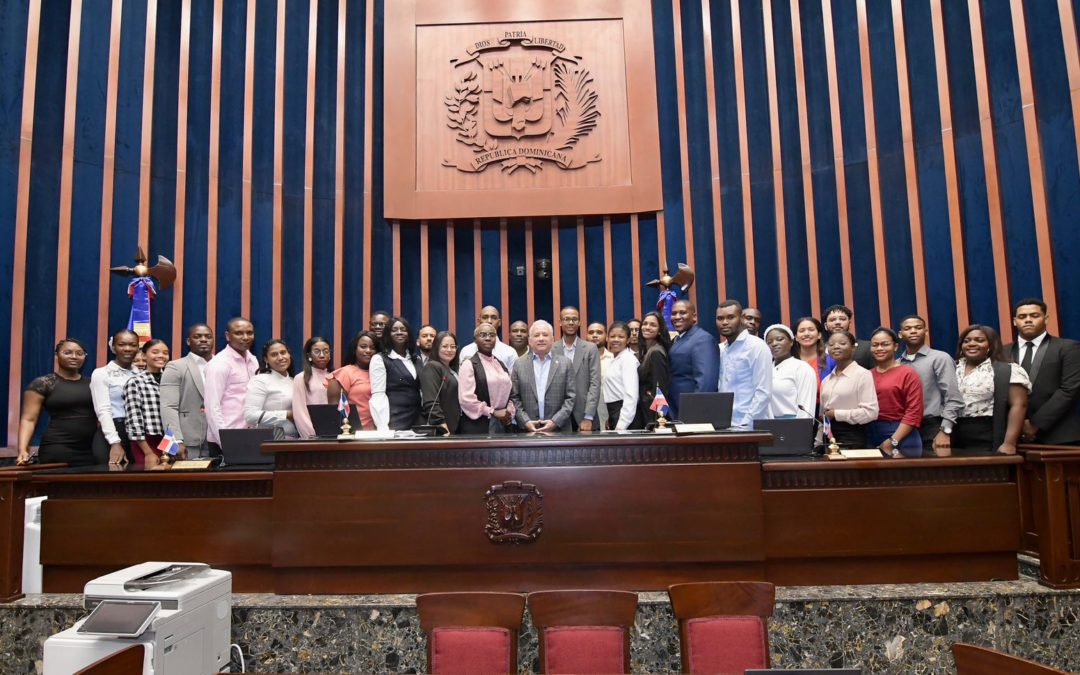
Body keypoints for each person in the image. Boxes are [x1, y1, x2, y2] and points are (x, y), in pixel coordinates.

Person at [1006, 298, 1080, 445]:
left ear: (1045, 318)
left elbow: (1069, 390)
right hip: (1013, 437)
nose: (1027, 320)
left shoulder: (1068, 348)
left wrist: (1035, 424)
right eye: (1022, 317)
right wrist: (1017, 426)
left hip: (1059, 435)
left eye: (1034, 316)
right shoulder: (1002, 352)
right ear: (1015, 321)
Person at [17, 339, 97, 466]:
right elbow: (28, 420)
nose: (74, 356)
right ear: (56, 355)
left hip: (92, 450)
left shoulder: (93, 383)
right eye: (68, 352)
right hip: (58, 448)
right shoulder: (43, 383)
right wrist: (22, 450)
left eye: (79, 353)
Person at [955, 324, 1031, 454]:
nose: (971, 344)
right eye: (966, 341)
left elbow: (1019, 405)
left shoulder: (1008, 369)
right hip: (953, 434)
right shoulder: (951, 367)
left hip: (987, 433)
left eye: (979, 340)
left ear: (991, 345)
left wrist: (1009, 443)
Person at [897, 315, 964, 452]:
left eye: (918, 327)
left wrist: (945, 431)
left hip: (933, 426)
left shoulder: (940, 358)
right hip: (903, 428)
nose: (913, 331)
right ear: (900, 334)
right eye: (908, 328)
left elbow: (953, 398)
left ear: (926, 332)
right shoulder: (897, 364)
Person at [866, 328, 924, 458]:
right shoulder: (867, 375)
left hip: (901, 435)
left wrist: (892, 442)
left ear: (895, 346)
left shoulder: (907, 373)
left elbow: (914, 412)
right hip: (871, 433)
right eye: (875, 345)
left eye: (885, 344)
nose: (879, 348)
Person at [160, 323, 215, 458]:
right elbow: (168, 406)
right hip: (188, 440)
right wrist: (175, 440)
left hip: (220, 439)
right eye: (198, 336)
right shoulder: (175, 366)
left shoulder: (223, 364)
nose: (203, 339)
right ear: (188, 341)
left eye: (208, 336)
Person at [510, 320, 576, 432]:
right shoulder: (519, 364)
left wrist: (555, 421)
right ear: (530, 341)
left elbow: (571, 397)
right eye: (536, 335)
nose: (541, 338)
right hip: (527, 431)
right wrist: (525, 421)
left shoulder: (566, 363)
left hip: (560, 430)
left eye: (545, 335)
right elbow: (514, 397)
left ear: (552, 339)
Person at [716, 300, 773, 428]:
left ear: (741, 318)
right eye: (720, 318)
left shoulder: (756, 346)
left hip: (750, 427)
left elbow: (763, 392)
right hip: (725, 425)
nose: (724, 322)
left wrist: (745, 424)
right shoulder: (721, 349)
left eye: (730, 317)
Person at [204, 317, 259, 448]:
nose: (245, 337)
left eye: (249, 333)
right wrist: (224, 442)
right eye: (239, 333)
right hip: (227, 437)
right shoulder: (219, 363)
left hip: (252, 435)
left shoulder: (253, 360)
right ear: (228, 336)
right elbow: (212, 407)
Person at [90, 328, 141, 465]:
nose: (128, 348)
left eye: (133, 345)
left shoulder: (140, 375)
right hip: (113, 432)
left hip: (138, 434)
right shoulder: (102, 373)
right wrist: (115, 442)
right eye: (122, 344)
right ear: (113, 347)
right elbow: (103, 411)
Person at [820, 331, 879, 448]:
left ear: (853, 348)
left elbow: (871, 413)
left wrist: (836, 414)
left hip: (852, 435)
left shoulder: (862, 375)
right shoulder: (826, 380)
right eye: (831, 344)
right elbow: (823, 414)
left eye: (842, 343)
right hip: (829, 436)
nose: (836, 346)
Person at [458, 322, 516, 434]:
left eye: (491, 335)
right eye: (483, 335)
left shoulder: (500, 364)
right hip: (478, 426)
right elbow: (466, 399)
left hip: (502, 424)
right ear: (475, 339)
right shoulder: (469, 364)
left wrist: (508, 412)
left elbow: (511, 392)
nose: (488, 338)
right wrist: (492, 412)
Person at [668, 300, 720, 418]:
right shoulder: (678, 339)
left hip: (692, 412)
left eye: (682, 313)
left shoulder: (702, 339)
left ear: (694, 317)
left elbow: (706, 382)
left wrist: (694, 413)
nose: (677, 317)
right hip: (676, 410)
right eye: (674, 313)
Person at [123, 339, 171, 466]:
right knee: (150, 480)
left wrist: (172, 447)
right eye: (155, 352)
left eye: (165, 353)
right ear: (144, 356)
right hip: (146, 441)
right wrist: (148, 452)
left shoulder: (171, 381)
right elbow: (134, 420)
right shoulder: (135, 382)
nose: (161, 356)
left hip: (169, 440)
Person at [552, 306, 600, 432]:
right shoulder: (552, 349)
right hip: (558, 417)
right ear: (560, 322)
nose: (571, 322)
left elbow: (595, 384)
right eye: (566, 319)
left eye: (574, 319)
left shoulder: (590, 348)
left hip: (585, 416)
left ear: (579, 322)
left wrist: (589, 417)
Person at [370, 316, 422, 431]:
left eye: (403, 329)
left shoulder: (416, 359)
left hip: (417, 420)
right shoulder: (379, 359)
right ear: (388, 334)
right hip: (395, 420)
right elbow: (378, 395)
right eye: (394, 330)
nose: (399, 332)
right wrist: (382, 427)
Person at [244, 339, 299, 438]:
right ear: (266, 359)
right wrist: (287, 414)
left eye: (283, 352)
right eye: (274, 355)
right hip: (271, 440)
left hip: (296, 438)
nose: (280, 357)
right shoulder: (260, 380)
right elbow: (250, 416)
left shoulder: (294, 380)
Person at [763, 324, 816, 419]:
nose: (774, 344)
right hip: (768, 425)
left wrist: (800, 430)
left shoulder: (802, 368)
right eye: (769, 342)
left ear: (791, 342)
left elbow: (806, 407)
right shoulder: (765, 370)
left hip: (794, 426)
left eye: (779, 339)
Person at [327, 331, 377, 430]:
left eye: (373, 347)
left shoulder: (381, 373)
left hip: (381, 432)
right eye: (363, 346)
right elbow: (334, 413)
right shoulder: (345, 373)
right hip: (354, 433)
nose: (368, 350)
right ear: (355, 349)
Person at [601, 321, 641, 429]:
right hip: (614, 412)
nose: (616, 340)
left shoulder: (628, 359)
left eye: (621, 337)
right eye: (612, 336)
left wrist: (621, 425)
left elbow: (631, 396)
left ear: (628, 340)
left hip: (625, 416)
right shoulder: (614, 359)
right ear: (607, 338)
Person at [419, 331, 461, 434]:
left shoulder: (452, 370)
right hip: (442, 429)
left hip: (455, 426)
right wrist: (444, 429)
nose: (449, 350)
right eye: (445, 346)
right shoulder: (432, 367)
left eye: (453, 346)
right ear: (436, 347)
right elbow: (431, 402)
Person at [292, 337, 332, 439]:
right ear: (309, 355)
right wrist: (311, 435)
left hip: (333, 432)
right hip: (312, 435)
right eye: (317, 351)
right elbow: (299, 412)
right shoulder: (301, 378)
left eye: (326, 351)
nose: (322, 355)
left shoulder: (335, 376)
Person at [638, 311, 672, 426]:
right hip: (645, 410)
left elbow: (660, 390)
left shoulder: (656, 352)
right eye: (645, 323)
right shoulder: (647, 351)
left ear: (659, 331)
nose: (647, 327)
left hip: (653, 415)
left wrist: (658, 420)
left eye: (653, 325)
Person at [458, 305, 518, 370]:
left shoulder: (510, 353)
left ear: (499, 322)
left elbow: (513, 379)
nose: (489, 321)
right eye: (485, 317)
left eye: (494, 318)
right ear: (479, 321)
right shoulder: (466, 351)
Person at [823, 304, 874, 369]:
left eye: (842, 319)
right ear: (825, 325)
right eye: (832, 320)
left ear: (849, 323)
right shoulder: (819, 351)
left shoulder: (866, 347)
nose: (837, 322)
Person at [586, 321, 615, 428]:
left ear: (606, 337)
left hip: (609, 414)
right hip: (586, 416)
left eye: (599, 332)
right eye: (591, 332)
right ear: (586, 336)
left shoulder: (614, 359)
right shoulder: (580, 360)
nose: (594, 335)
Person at [794, 317, 835, 382]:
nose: (806, 334)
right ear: (796, 337)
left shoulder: (831, 361)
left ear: (819, 335)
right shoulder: (789, 362)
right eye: (802, 331)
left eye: (811, 330)